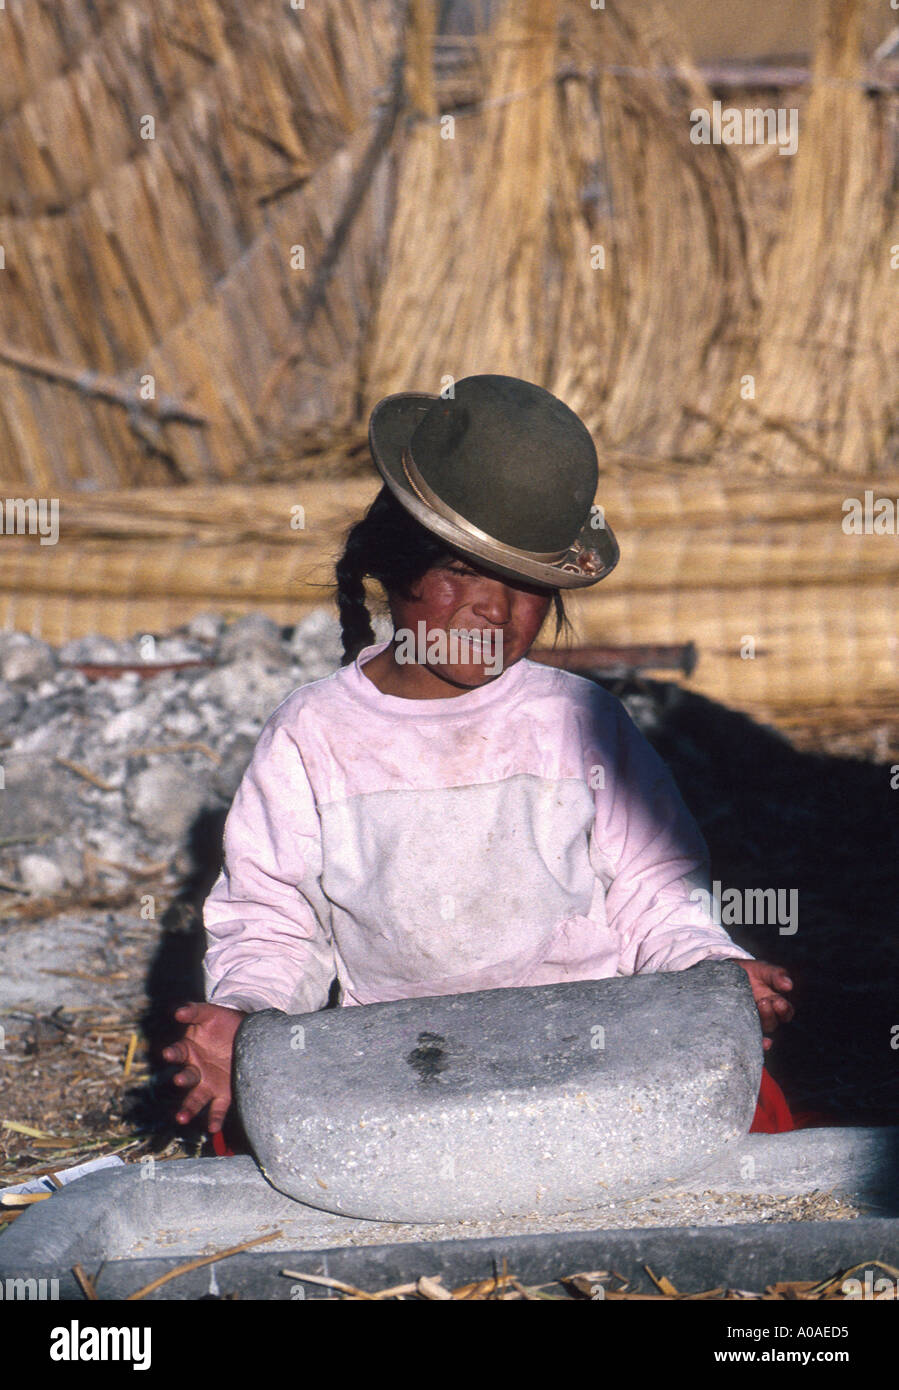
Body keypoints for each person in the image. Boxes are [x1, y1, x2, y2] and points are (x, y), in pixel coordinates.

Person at [163, 374, 795, 1139]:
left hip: (591, 1051)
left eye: (524, 583)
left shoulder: (577, 721)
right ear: (392, 566)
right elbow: (273, 921)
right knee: (252, 1121)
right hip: (399, 1066)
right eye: (459, 569)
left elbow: (654, 892)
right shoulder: (314, 735)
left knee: (747, 1108)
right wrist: (249, 1021)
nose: (491, 608)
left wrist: (708, 971)